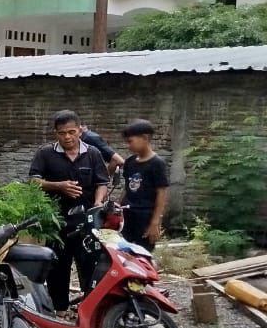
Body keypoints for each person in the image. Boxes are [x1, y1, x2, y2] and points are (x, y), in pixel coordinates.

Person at [30, 110, 109, 311]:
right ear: (55, 133)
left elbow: (102, 182)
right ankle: (60, 309)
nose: (67, 137)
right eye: (62, 133)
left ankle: (90, 309)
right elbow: (33, 181)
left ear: (80, 131)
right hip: (57, 222)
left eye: (71, 132)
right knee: (57, 267)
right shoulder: (45, 153)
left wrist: (98, 202)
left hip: (87, 222)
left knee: (90, 265)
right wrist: (59, 186)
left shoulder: (93, 153)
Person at [120, 119, 168, 250]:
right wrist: (118, 207)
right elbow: (127, 187)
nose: (128, 145)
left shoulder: (157, 164)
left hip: (145, 216)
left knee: (143, 253)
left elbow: (161, 193)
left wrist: (155, 221)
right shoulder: (130, 162)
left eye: (130, 141)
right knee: (124, 251)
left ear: (145, 138)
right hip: (127, 214)